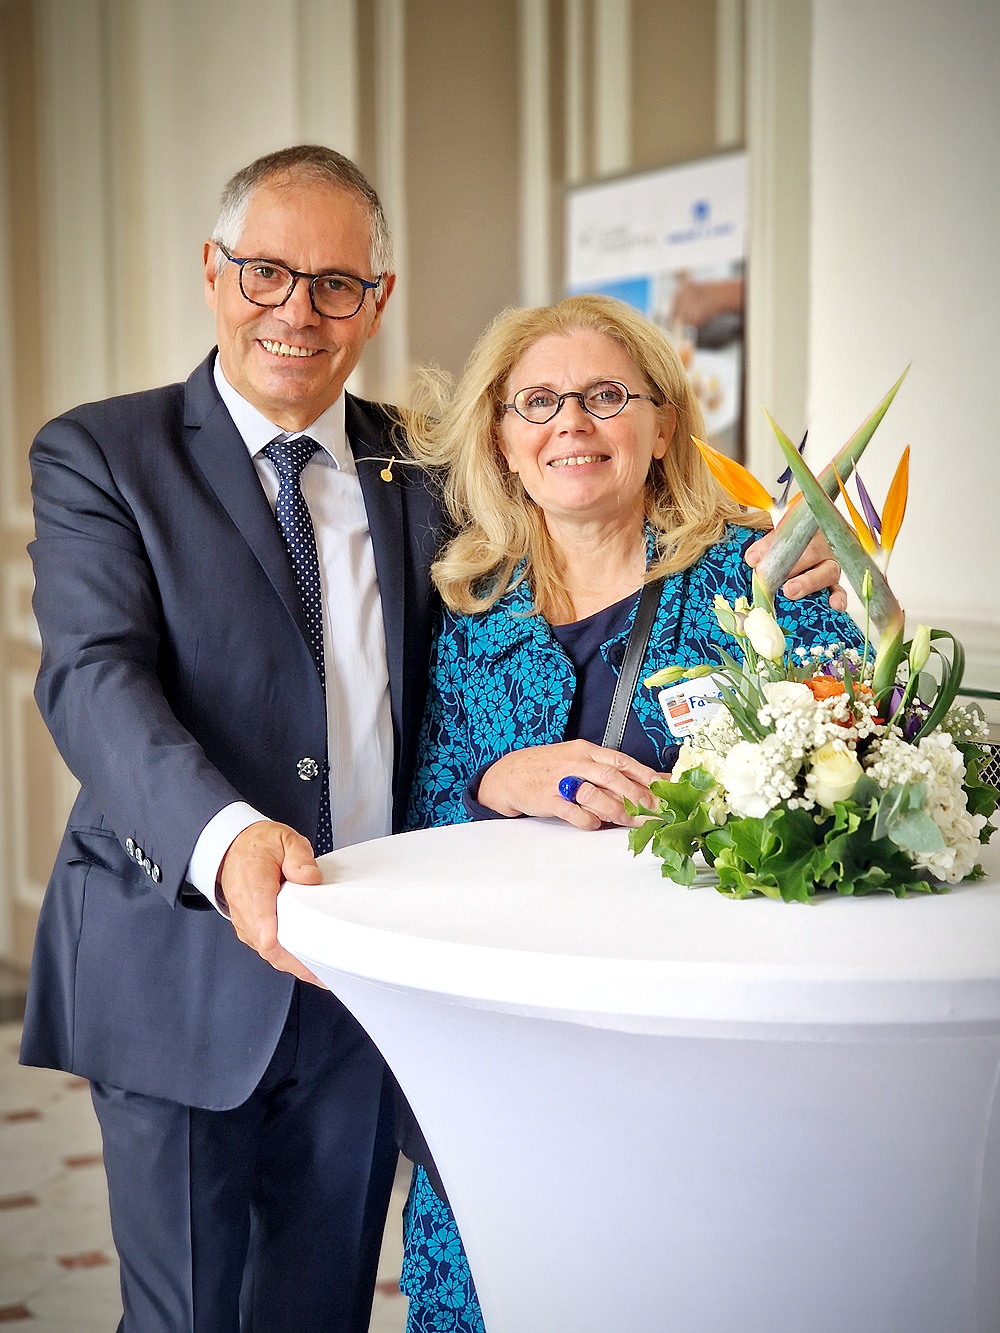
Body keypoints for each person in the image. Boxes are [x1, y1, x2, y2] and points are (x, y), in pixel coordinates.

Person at [19, 145, 442, 1332]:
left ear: (377, 299)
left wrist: (770, 553)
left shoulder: (433, 468)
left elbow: (588, 543)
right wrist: (229, 837)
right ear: (213, 272)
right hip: (176, 957)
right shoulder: (104, 452)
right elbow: (94, 678)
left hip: (360, 972)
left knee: (320, 1313)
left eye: (334, 283)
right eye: (265, 271)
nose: (296, 311)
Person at [394, 293, 864, 1333]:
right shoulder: (468, 609)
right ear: (504, 443)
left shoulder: (755, 577)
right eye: (540, 402)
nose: (573, 422)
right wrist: (492, 782)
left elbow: (862, 759)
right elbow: (410, 818)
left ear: (661, 429)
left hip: (704, 1067)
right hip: (501, 1060)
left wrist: (869, 602)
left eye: (607, 396)